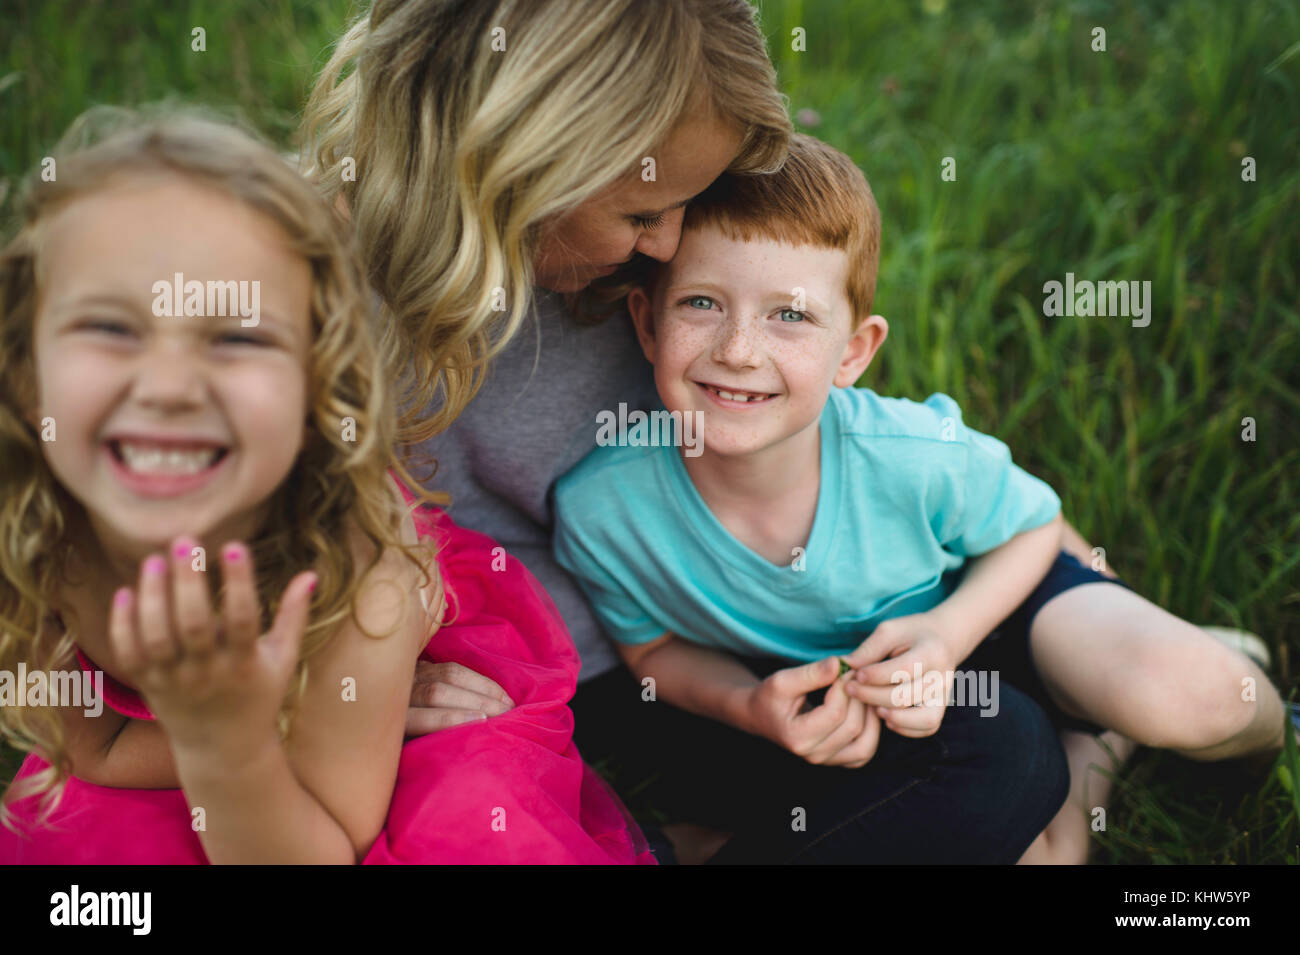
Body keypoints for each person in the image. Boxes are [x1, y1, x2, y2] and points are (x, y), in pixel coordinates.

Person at [303, 0, 1075, 862]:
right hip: (541, 690)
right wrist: (369, 676)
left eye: (680, 206)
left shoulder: (634, 277)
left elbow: (843, 431)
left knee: (1002, 747)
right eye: (643, 212)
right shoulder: (308, 301)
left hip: (715, 658)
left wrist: (1052, 564)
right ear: (522, 155)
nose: (669, 245)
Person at [551, 134, 1297, 864]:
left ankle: (1269, 730)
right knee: (1042, 854)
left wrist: (946, 635)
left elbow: (1034, 526)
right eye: (703, 303)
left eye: (791, 315)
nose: (739, 348)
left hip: (994, 609)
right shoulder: (603, 509)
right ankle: (1095, 744)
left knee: (1200, 697)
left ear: (854, 351)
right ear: (647, 323)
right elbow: (651, 650)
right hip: (883, 699)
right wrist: (748, 705)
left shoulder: (911, 453)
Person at [0, 108, 653, 864]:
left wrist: (236, 745)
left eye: (238, 337)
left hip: (346, 788)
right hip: (192, 743)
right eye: (110, 327)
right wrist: (233, 727)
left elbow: (328, 846)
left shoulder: (365, 575)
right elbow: (98, 747)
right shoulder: (30, 524)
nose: (171, 386)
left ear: (317, 387)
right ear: (23, 370)